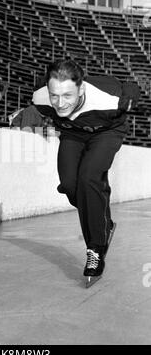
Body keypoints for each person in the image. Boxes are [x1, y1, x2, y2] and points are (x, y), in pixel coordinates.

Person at [44, 59, 140, 283]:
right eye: (54, 95)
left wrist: (129, 99)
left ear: (81, 88)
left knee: (88, 179)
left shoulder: (107, 98)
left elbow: (131, 86)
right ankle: (103, 219)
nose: (60, 103)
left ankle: (95, 249)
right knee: (69, 184)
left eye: (68, 95)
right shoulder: (40, 97)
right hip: (74, 133)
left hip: (107, 131)